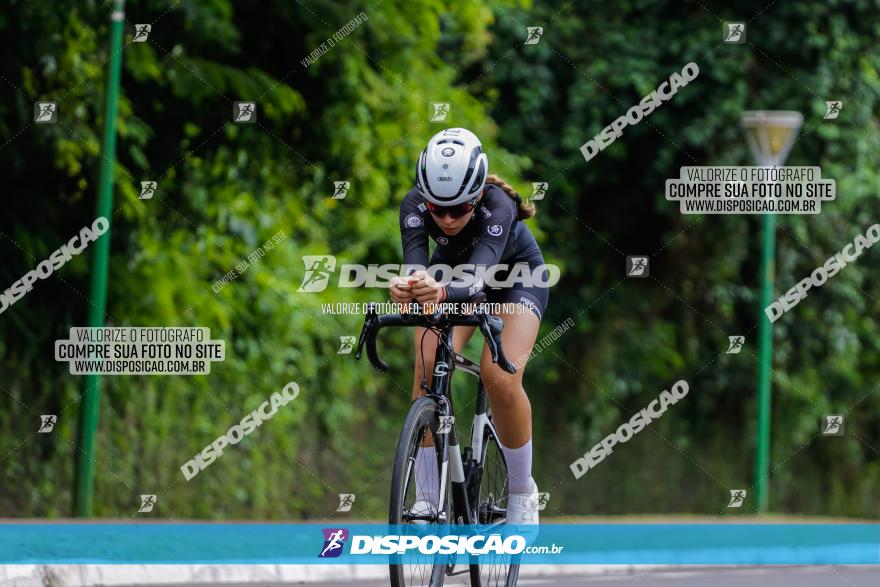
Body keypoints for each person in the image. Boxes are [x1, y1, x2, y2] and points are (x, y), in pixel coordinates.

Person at [389, 127, 549, 526]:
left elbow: (478, 279)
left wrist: (437, 292)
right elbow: (416, 266)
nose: (445, 219)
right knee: (426, 363)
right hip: (450, 281)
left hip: (515, 280)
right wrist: (406, 286)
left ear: (477, 195)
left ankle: (521, 491)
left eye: (458, 209)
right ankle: (427, 497)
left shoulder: (499, 204)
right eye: (436, 209)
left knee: (500, 376)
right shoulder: (412, 206)